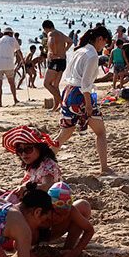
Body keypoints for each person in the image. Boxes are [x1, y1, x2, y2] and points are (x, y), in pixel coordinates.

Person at [53, 27, 114, 175]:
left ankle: (41, 163)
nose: (104, 47)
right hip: (81, 94)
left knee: (63, 135)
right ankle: (104, 168)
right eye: (105, 43)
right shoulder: (92, 55)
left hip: (68, 92)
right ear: (100, 38)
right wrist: (88, 104)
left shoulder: (79, 50)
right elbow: (86, 82)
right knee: (100, 132)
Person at [1, 126, 60, 197]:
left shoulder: (48, 165)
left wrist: (27, 188)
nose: (23, 154)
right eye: (20, 150)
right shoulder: (33, 165)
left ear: (40, 148)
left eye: (28, 149)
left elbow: (47, 186)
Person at [43, 20, 74, 111]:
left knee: (47, 83)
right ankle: (56, 106)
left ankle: (61, 102)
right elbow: (71, 41)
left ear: (46, 28)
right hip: (63, 61)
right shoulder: (60, 33)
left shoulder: (51, 33)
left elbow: (51, 42)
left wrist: (54, 52)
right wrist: (64, 50)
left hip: (56, 61)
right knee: (55, 85)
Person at [0, 27, 22, 107]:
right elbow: (19, 51)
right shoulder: (12, 39)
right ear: (9, 33)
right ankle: (15, 99)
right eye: (12, 33)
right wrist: (23, 60)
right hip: (8, 63)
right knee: (11, 82)